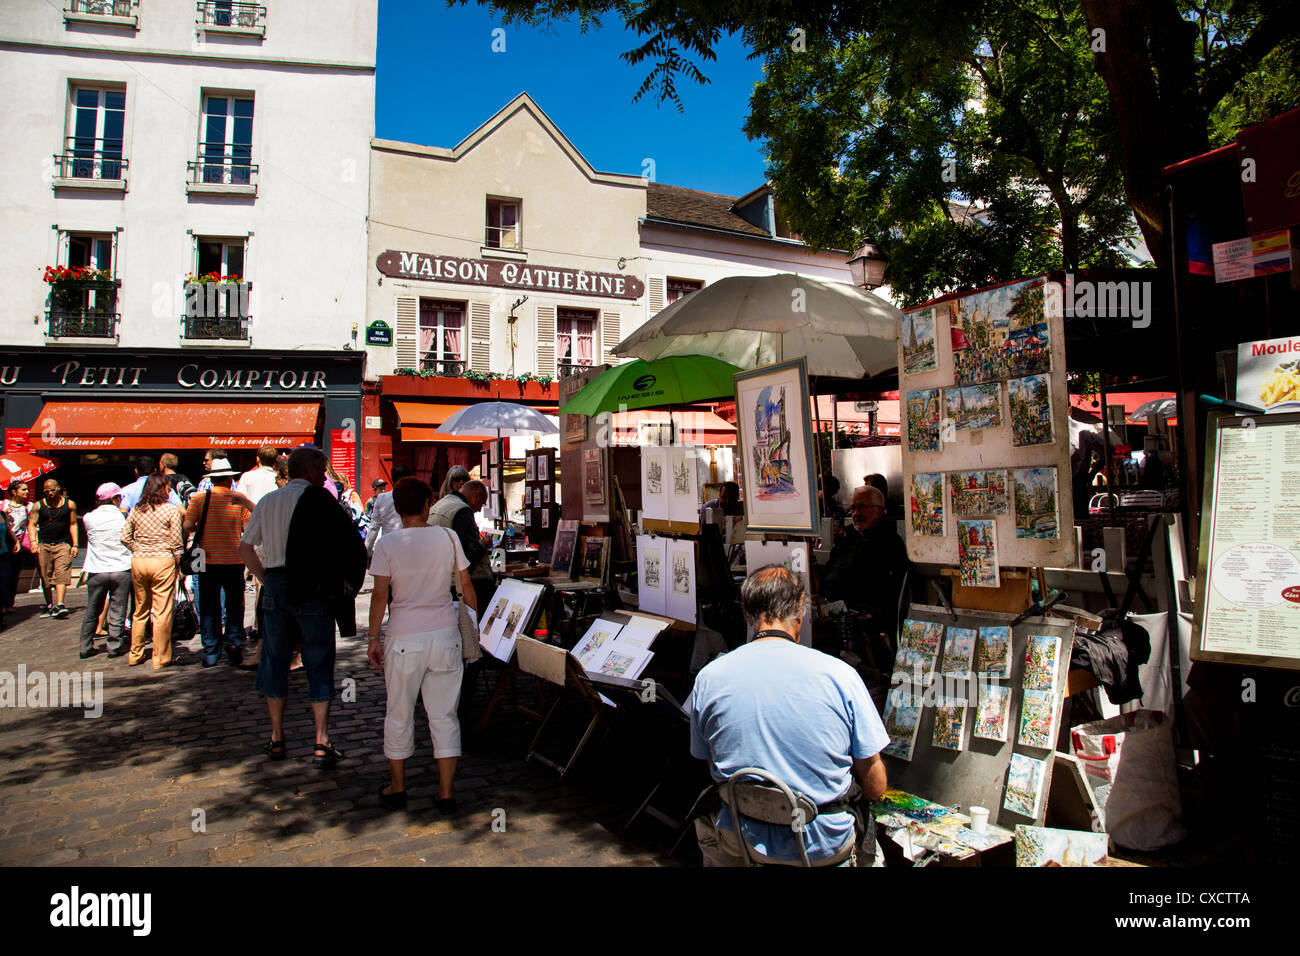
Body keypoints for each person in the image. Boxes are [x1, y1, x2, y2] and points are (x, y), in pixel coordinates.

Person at [687, 566, 889, 866]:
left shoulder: (709, 677)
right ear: (799, 610)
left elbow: (712, 764)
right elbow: (875, 786)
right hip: (821, 845)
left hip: (743, 839)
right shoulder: (840, 675)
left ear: (748, 613)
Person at [239, 445, 366, 768]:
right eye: (321, 471)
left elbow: (245, 547)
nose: (324, 477)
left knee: (275, 660)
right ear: (310, 471)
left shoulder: (269, 502)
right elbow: (349, 542)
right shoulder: (321, 501)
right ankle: (321, 739)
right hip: (313, 586)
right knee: (318, 659)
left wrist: (265, 577)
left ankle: (277, 735)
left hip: (278, 584)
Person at [367, 477, 476, 812]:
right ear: (428, 504)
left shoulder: (387, 545)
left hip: (403, 637)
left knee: (398, 712)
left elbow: (380, 595)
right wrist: (473, 626)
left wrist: (372, 636)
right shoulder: (448, 536)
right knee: (444, 715)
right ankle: (446, 791)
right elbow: (466, 585)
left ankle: (398, 785)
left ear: (397, 509)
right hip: (444, 634)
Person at [820, 485, 910, 672]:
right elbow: (830, 570)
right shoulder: (847, 538)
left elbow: (877, 592)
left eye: (862, 507)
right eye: (853, 508)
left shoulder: (889, 543)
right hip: (833, 610)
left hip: (864, 622)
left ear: (879, 509)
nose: (856, 513)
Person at [184, 459, 251, 667]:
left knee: (208, 605)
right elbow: (247, 527)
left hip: (206, 559)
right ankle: (234, 642)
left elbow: (187, 525)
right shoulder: (238, 499)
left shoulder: (199, 498)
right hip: (233, 558)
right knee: (234, 604)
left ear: (212, 479)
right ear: (230, 478)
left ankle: (211, 650)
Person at [120, 474, 185, 670]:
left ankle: (136, 653)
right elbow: (176, 540)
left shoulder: (137, 510)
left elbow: (124, 536)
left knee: (140, 610)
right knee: (162, 610)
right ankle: (161, 657)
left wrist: (137, 548)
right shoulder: (170, 510)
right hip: (163, 560)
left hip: (140, 560)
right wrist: (178, 560)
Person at [79, 483, 133, 659]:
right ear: (114, 499)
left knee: (93, 608)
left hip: (97, 569)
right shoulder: (123, 517)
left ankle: (85, 645)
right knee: (118, 608)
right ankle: (114, 645)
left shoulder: (88, 517)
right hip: (121, 567)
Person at [428, 477, 492, 609]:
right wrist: (484, 544)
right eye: (481, 503)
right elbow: (470, 552)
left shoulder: (441, 503)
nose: (480, 509)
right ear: (476, 495)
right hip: (459, 582)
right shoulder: (462, 510)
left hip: (441, 578)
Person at [28, 478, 79, 619]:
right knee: (45, 577)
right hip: (44, 544)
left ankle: (60, 604)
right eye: (46, 491)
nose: (49, 493)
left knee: (62, 573)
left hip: (62, 544)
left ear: (58, 488)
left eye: (52, 490)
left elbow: (73, 524)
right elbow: (31, 524)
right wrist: (33, 542)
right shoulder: (38, 506)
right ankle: (49, 604)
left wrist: (75, 544)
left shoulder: (69, 505)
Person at [365, 464, 411, 559]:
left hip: (389, 547)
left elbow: (374, 527)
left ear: (392, 479)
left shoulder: (382, 498)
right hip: (410, 546)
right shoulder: (417, 498)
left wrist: (367, 551)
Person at [1, 482, 31, 617]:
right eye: (23, 490)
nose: (26, 492)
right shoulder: (2, 505)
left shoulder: (28, 507)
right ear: (14, 491)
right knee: (4, 575)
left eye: (27, 489)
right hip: (4, 542)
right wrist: (3, 514)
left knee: (14, 575)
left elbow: (31, 525)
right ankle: (3, 604)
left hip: (20, 544)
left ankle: (9, 604)